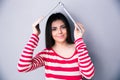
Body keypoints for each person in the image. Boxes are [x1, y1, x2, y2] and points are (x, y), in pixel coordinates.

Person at [17, 13, 95, 80]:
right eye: (54, 29)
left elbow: (89, 74)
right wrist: (35, 35)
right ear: (49, 32)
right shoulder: (46, 54)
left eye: (63, 27)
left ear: (68, 28)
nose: (59, 32)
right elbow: (22, 67)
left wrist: (79, 39)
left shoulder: (79, 48)